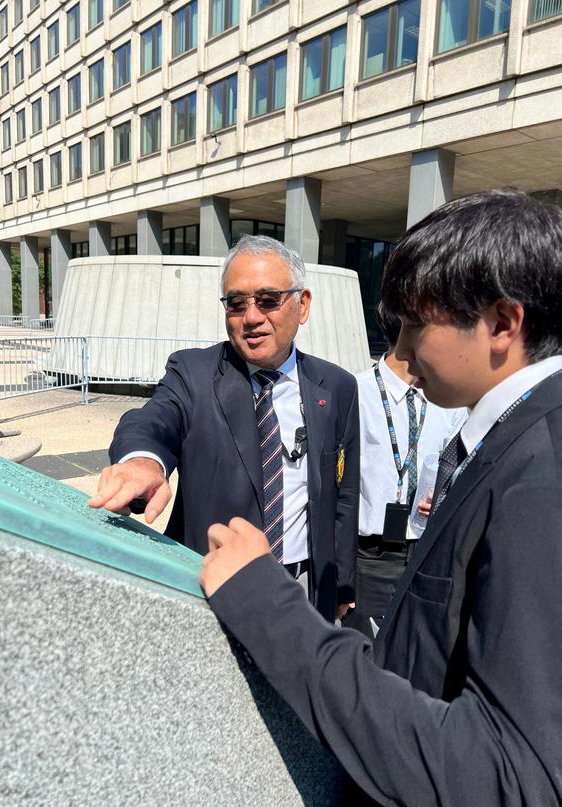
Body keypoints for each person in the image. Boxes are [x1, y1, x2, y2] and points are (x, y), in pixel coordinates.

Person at [200, 189, 562, 805]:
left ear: (503, 324)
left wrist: (268, 605)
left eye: (417, 323)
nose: (405, 347)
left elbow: (505, 774)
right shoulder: (516, 436)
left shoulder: (542, 474)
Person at [89, 234, 359, 622]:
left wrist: (342, 584)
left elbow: (343, 497)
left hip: (304, 583)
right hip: (213, 583)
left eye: (268, 300)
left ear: (302, 305)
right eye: (236, 303)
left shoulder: (337, 387)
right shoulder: (192, 373)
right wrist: (143, 461)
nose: (251, 318)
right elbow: (152, 420)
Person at [344, 306, 466, 636]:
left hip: (428, 554)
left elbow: (462, 467)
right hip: (368, 559)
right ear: (410, 332)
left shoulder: (449, 400)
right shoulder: (354, 392)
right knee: (366, 655)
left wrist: (444, 494)